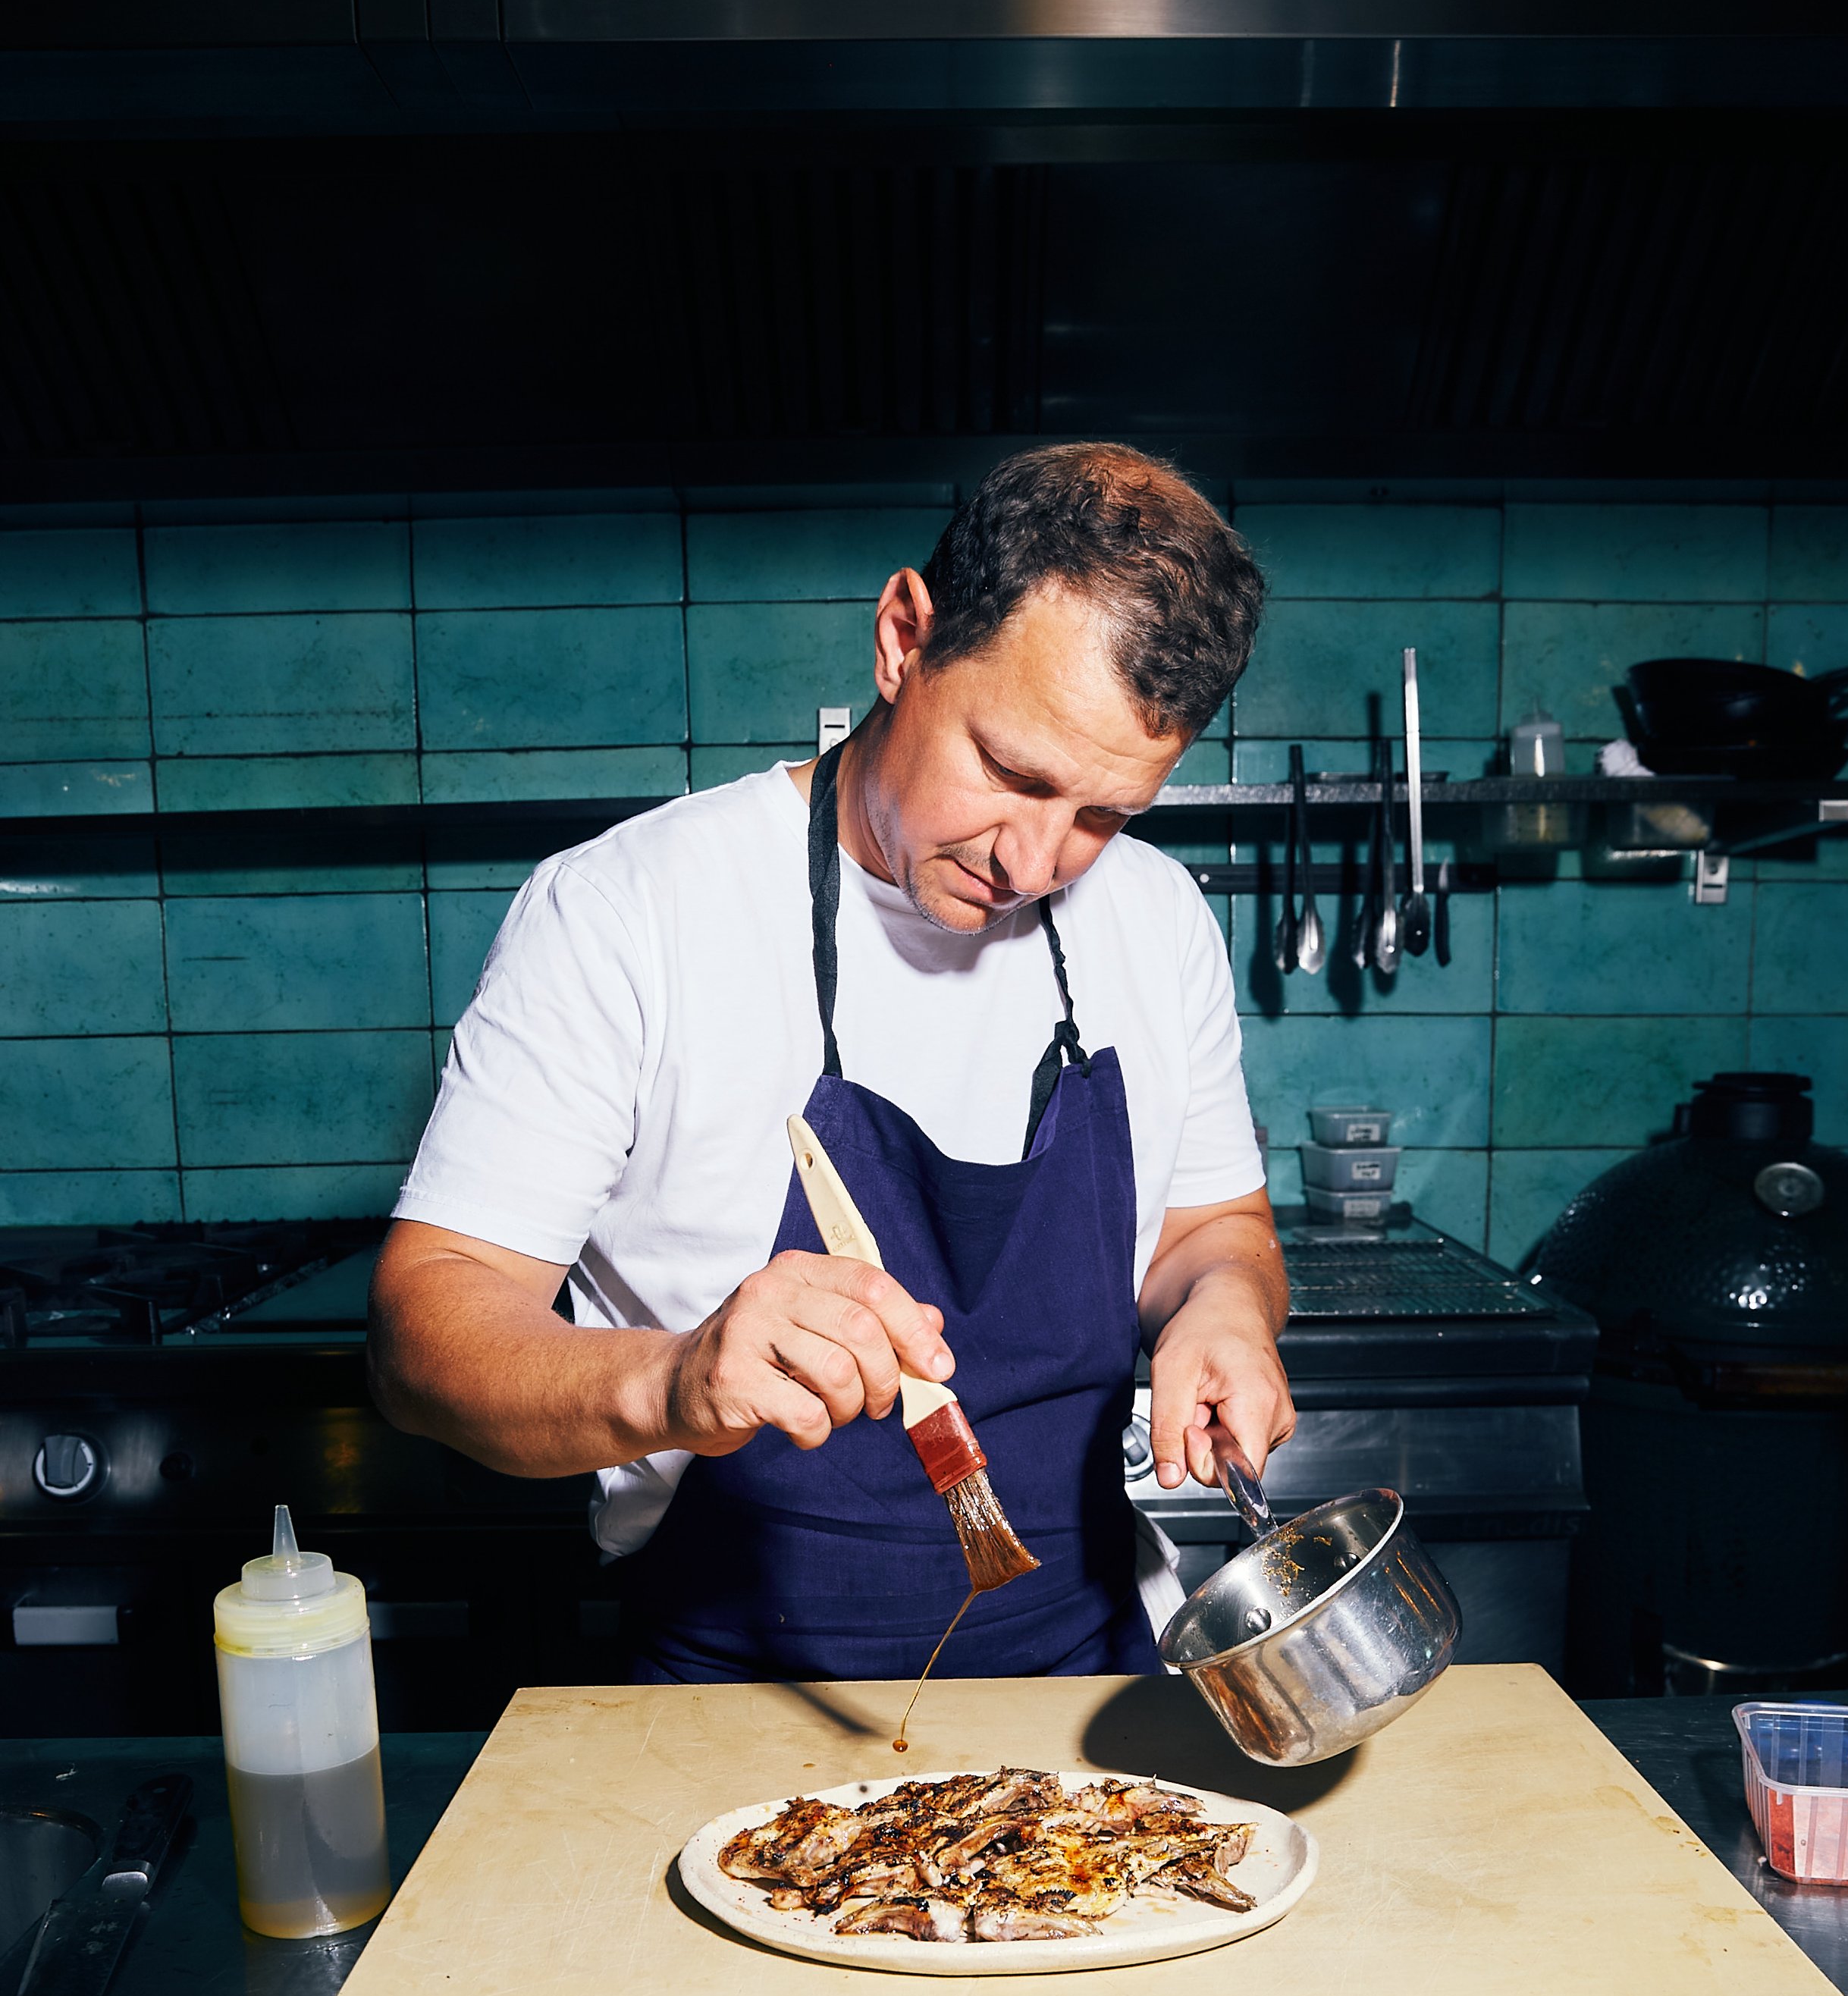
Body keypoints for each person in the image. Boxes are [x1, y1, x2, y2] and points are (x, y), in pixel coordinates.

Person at [369, 442, 1295, 1683]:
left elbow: (1213, 1227)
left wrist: (1227, 1303)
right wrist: (673, 1376)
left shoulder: (1158, 920)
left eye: (1101, 815)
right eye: (1013, 773)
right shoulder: (628, 913)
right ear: (904, 637)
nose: (1035, 862)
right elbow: (422, 1332)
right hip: (732, 1710)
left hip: (1092, 1698)